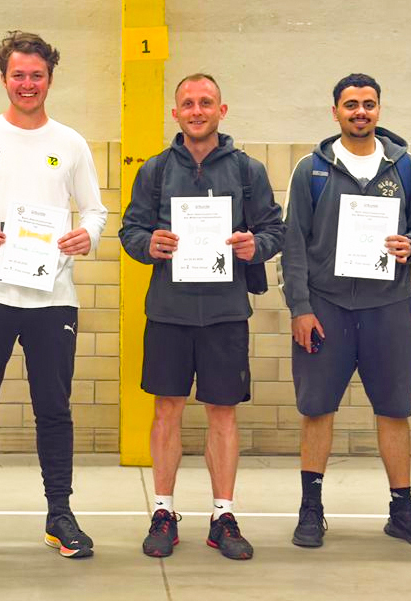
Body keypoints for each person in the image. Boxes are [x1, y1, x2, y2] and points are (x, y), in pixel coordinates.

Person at [0, 31, 108, 562]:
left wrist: (87, 236)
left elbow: (95, 211)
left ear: (50, 79)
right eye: (18, 75)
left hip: (53, 300)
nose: (27, 84)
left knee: (54, 410)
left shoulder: (71, 143)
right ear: (3, 78)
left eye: (37, 75)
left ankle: (60, 514)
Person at [119, 74, 285, 561]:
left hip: (225, 312)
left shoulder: (248, 170)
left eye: (205, 102)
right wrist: (148, 244)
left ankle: (223, 516)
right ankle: (163, 511)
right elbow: (131, 230)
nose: (197, 111)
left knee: (223, 412)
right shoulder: (154, 171)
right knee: (166, 409)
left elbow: (274, 230)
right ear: (175, 113)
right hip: (168, 311)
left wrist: (256, 246)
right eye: (188, 104)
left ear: (221, 110)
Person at [281, 73, 411, 550]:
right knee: (317, 410)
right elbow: (293, 244)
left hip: (389, 308)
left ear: (379, 110)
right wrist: (300, 308)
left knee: (394, 410)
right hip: (325, 308)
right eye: (351, 104)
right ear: (335, 112)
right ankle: (311, 509)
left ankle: (402, 510)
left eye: (368, 104)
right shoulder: (310, 169)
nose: (360, 112)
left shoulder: (405, 167)